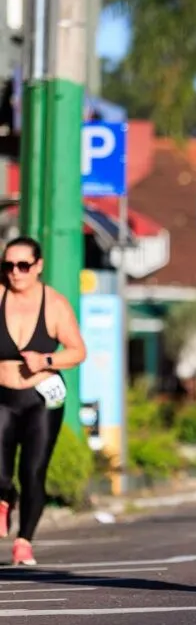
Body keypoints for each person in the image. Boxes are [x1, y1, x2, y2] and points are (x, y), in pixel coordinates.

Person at [0, 236, 86, 565]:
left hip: (40, 398)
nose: (15, 272)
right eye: (8, 265)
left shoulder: (54, 305)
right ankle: (6, 496)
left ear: (38, 266)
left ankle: (24, 541)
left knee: (33, 470)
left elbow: (78, 351)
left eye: (23, 265)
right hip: (2, 396)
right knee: (1, 473)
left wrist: (47, 360)